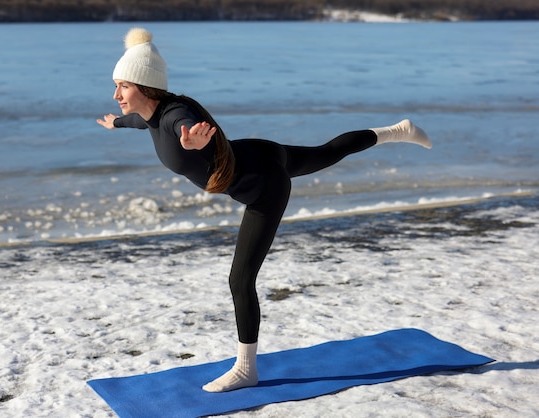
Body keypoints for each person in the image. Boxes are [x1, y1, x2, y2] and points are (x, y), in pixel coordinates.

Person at [97, 28, 432, 393]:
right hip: (258, 151)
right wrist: (116, 122)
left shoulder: (177, 114)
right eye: (116, 86)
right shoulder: (148, 114)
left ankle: (245, 369)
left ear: (145, 86)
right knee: (325, 152)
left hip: (265, 187)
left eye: (123, 87)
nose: (116, 95)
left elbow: (184, 122)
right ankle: (398, 130)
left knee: (240, 280)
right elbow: (137, 120)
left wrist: (192, 138)